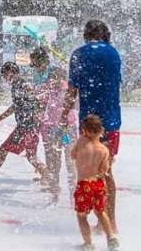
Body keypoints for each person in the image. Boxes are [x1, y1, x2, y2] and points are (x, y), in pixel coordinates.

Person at [61, 20, 122, 234]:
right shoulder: (114, 53)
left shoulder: (79, 53)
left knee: (90, 170)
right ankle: (110, 222)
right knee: (107, 170)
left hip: (89, 123)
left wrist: (63, 114)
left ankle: (93, 222)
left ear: (86, 35)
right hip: (111, 121)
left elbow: (72, 91)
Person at [0, 62, 48, 187]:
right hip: (32, 125)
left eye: (5, 75)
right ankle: (51, 179)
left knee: (4, 150)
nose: (5, 79)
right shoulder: (23, 83)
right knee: (31, 157)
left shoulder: (18, 84)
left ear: (10, 72)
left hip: (24, 127)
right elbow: (32, 101)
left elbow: (16, 106)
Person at [71, 114, 120, 250]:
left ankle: (88, 244)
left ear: (84, 131)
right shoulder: (104, 150)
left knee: (82, 216)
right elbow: (104, 170)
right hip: (98, 185)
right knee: (101, 212)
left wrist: (80, 154)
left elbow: (72, 155)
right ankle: (110, 238)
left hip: (83, 185)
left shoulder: (81, 141)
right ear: (101, 130)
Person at [38, 65, 77, 200]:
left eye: (55, 78)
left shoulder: (67, 88)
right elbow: (40, 103)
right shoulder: (48, 88)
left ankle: (72, 195)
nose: (52, 81)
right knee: (55, 161)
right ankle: (55, 192)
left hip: (67, 129)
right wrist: (40, 114)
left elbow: (73, 101)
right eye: (51, 78)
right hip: (54, 128)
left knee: (69, 160)